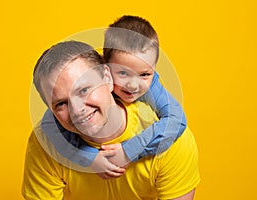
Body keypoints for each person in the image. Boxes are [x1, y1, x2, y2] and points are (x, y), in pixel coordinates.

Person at [22, 41, 200, 199]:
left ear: (107, 78)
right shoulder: (45, 143)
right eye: (61, 103)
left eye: (83, 90)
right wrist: (89, 158)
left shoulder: (167, 138)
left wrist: (130, 150)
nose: (77, 110)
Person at [36, 15, 187, 177]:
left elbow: (176, 120)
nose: (133, 85)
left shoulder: (152, 87)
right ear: (105, 67)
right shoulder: (87, 79)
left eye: (145, 74)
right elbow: (48, 126)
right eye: (122, 73)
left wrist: (129, 150)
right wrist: (89, 157)